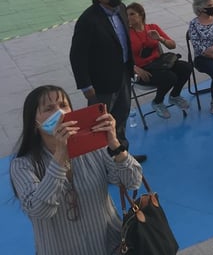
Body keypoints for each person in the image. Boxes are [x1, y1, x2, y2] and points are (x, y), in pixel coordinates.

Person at [10, 85, 143, 255]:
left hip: (112, 246)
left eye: (63, 105)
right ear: (34, 122)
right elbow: (40, 210)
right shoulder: (23, 165)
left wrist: (115, 145)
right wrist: (60, 156)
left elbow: (133, 181)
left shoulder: (93, 148)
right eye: (49, 108)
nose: (60, 113)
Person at [69, 0, 140, 159]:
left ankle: (122, 156)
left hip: (123, 74)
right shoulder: (88, 20)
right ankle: (102, 164)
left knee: (121, 117)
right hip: (101, 83)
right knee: (99, 124)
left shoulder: (122, 9)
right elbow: (77, 55)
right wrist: (85, 85)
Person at [126, 2, 191, 119]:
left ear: (141, 15)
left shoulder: (153, 27)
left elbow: (172, 45)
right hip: (142, 70)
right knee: (170, 77)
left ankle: (175, 95)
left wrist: (160, 39)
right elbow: (119, 57)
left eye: (132, 14)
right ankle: (157, 102)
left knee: (186, 67)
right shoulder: (126, 34)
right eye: (127, 15)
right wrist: (134, 68)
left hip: (159, 64)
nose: (128, 17)